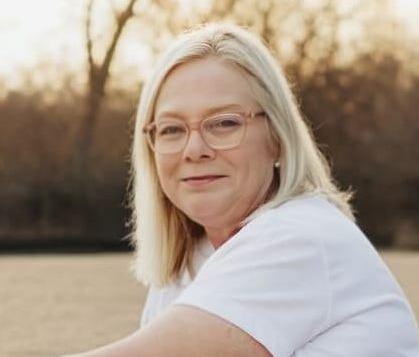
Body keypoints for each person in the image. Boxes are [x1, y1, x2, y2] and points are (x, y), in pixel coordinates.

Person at [65, 23, 419, 356]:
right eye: (172, 129)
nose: (194, 150)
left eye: (224, 123)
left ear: (277, 137)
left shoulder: (298, 238)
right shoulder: (189, 262)